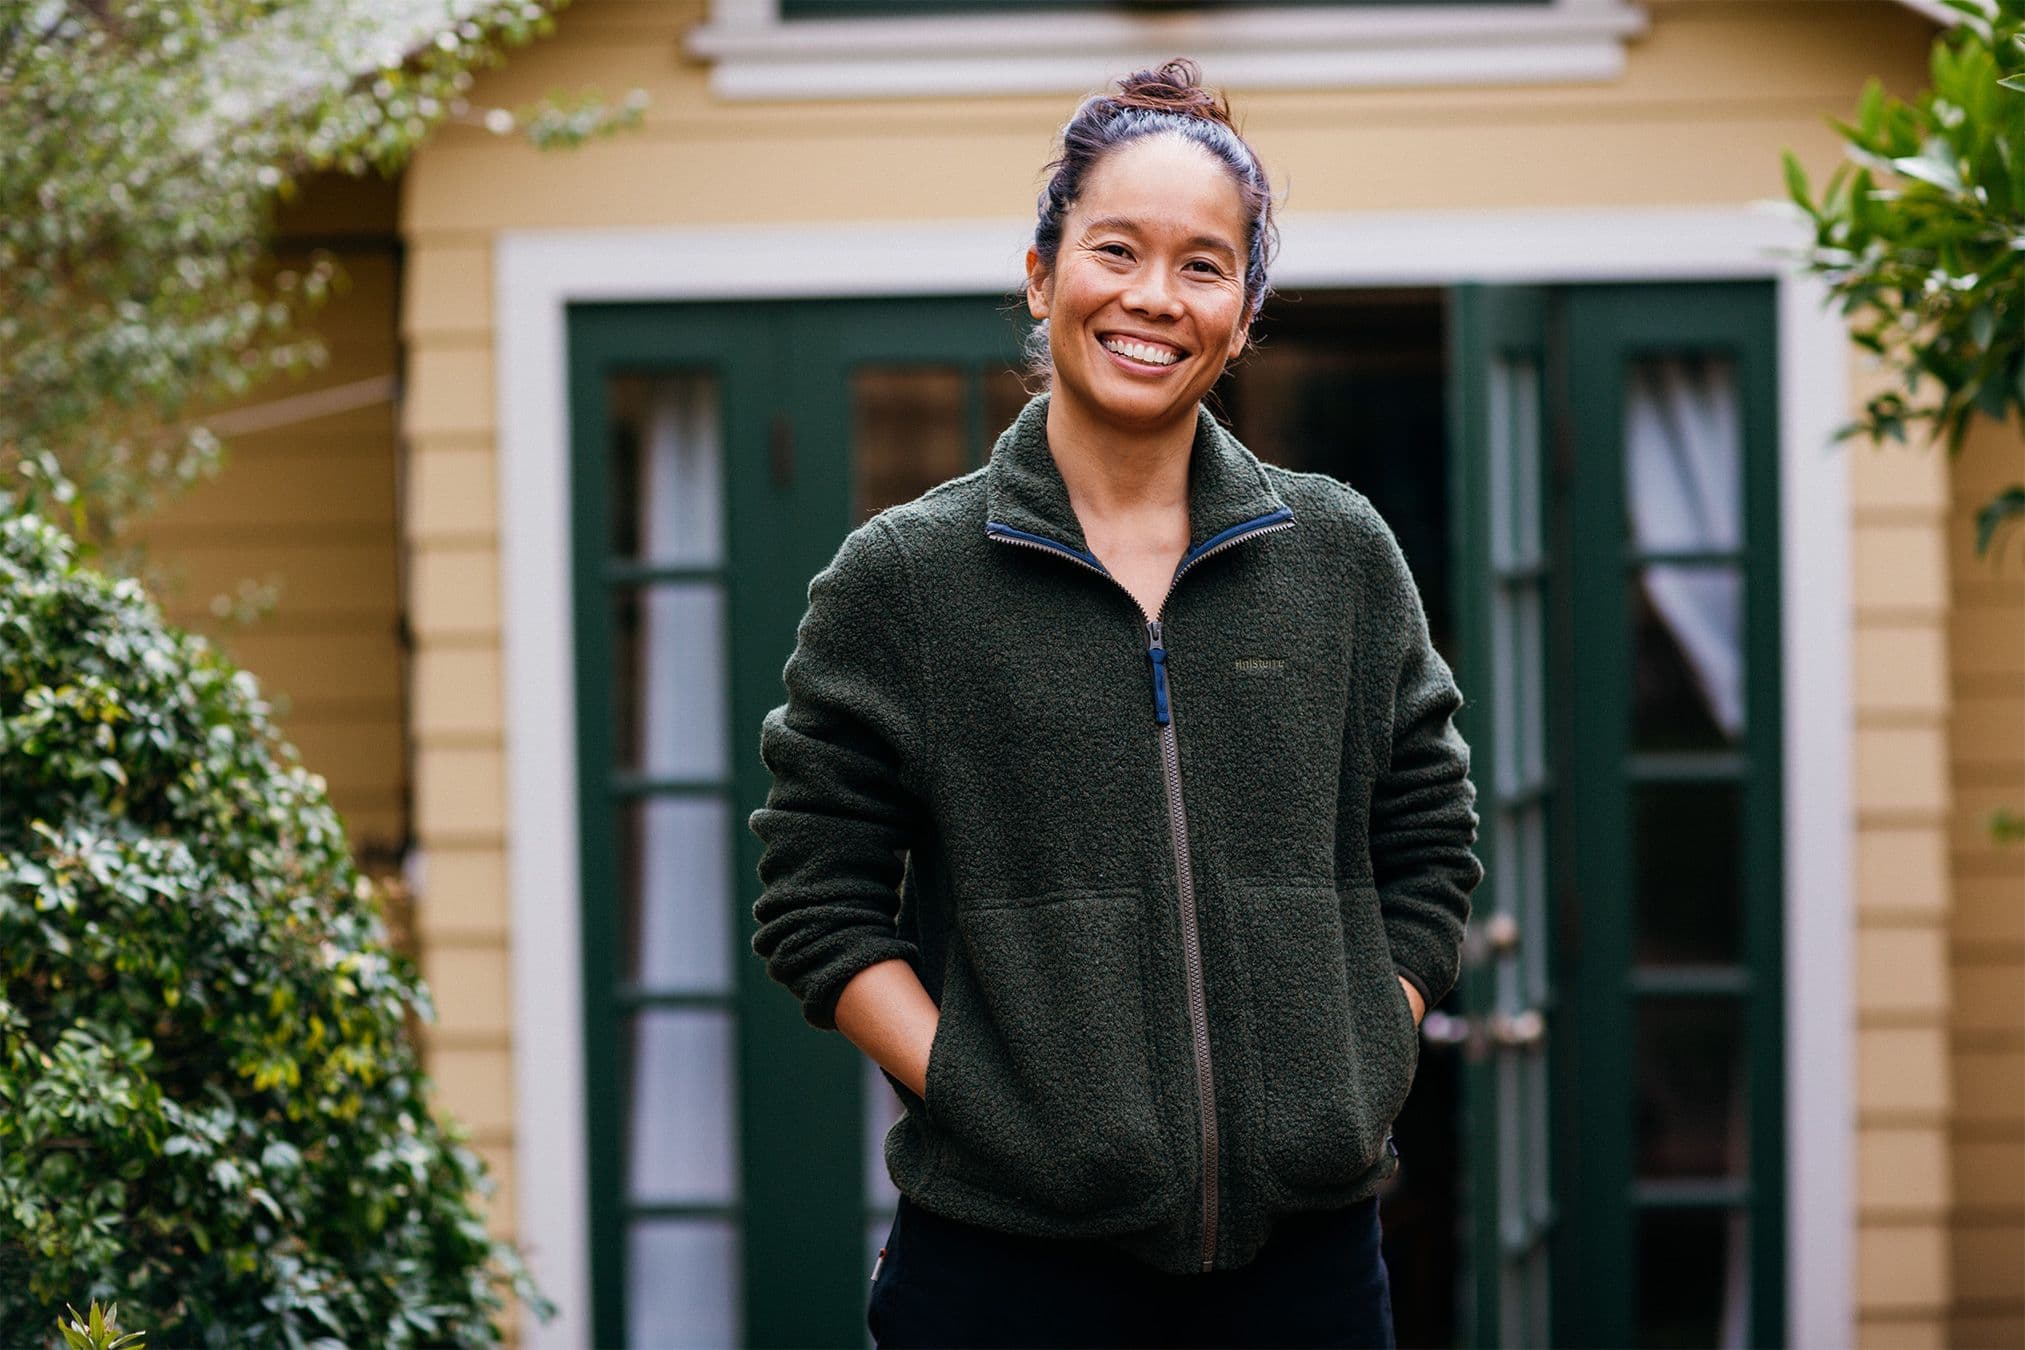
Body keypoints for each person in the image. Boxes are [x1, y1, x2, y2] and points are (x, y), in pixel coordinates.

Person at [748, 58, 1484, 1350]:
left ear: (1245, 313)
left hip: (1304, 1275)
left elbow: (1428, 840)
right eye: (1116, 250)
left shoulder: (1338, 553)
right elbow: (816, 900)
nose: (1154, 296)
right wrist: (993, 1101)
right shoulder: (906, 579)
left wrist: (1358, 1054)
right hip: (1004, 1273)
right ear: (1042, 276)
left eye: (1203, 264)